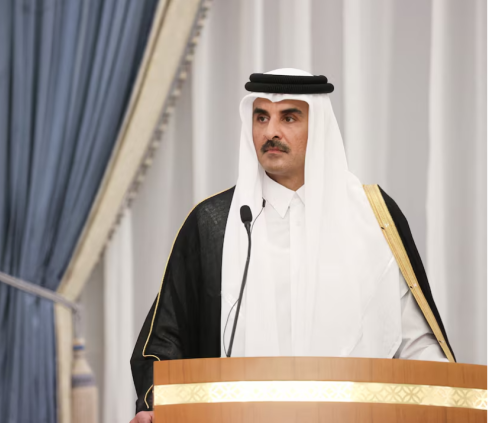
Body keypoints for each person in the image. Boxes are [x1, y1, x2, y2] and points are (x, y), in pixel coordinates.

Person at [128, 69, 454, 423]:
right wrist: (154, 403)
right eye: (261, 117)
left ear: (320, 126)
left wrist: (442, 402)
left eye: (289, 117)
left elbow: (416, 343)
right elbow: (165, 338)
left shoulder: (375, 217)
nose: (271, 132)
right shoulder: (215, 223)